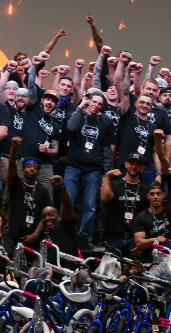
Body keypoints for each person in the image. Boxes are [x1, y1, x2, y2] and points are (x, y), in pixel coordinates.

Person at [64, 92, 116, 246]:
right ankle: (64, 234)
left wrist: (105, 174)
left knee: (90, 206)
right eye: (94, 102)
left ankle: (85, 239)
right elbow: (70, 127)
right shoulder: (78, 115)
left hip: (93, 170)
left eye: (100, 104)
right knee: (68, 201)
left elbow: (107, 151)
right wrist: (80, 107)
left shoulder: (105, 123)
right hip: (73, 166)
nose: (96, 106)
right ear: (88, 101)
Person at [131, 166, 171, 259]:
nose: (155, 197)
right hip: (149, 260)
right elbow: (139, 243)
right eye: (152, 194)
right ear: (148, 196)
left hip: (170, 259)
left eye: (158, 193)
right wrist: (155, 240)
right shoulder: (141, 217)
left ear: (163, 195)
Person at [101, 153, 150, 253]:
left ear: (142, 168)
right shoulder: (115, 185)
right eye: (131, 163)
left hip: (134, 240)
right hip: (114, 238)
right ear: (126, 164)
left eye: (137, 165)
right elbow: (105, 198)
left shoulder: (146, 190)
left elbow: (147, 218)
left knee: (133, 269)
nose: (134, 167)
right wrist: (108, 176)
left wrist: (142, 242)